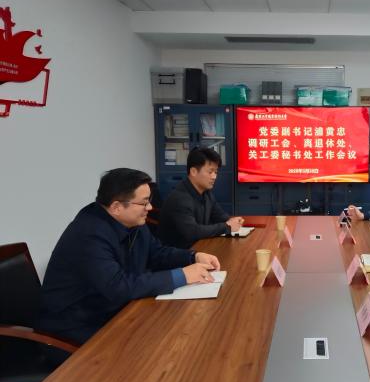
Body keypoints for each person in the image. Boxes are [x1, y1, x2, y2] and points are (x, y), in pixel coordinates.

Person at [38, 168, 220, 345]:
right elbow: (118, 287)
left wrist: (193, 257)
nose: (150, 207)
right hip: (74, 327)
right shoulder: (89, 234)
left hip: (113, 311)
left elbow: (157, 253)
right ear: (116, 207)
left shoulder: (132, 222)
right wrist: (182, 275)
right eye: (144, 202)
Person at [159, 147, 244, 249]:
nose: (214, 177)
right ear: (193, 171)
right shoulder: (179, 199)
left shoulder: (206, 193)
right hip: (179, 254)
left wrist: (233, 221)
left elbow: (220, 216)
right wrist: (227, 226)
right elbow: (192, 232)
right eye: (210, 172)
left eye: (216, 172)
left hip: (199, 248)